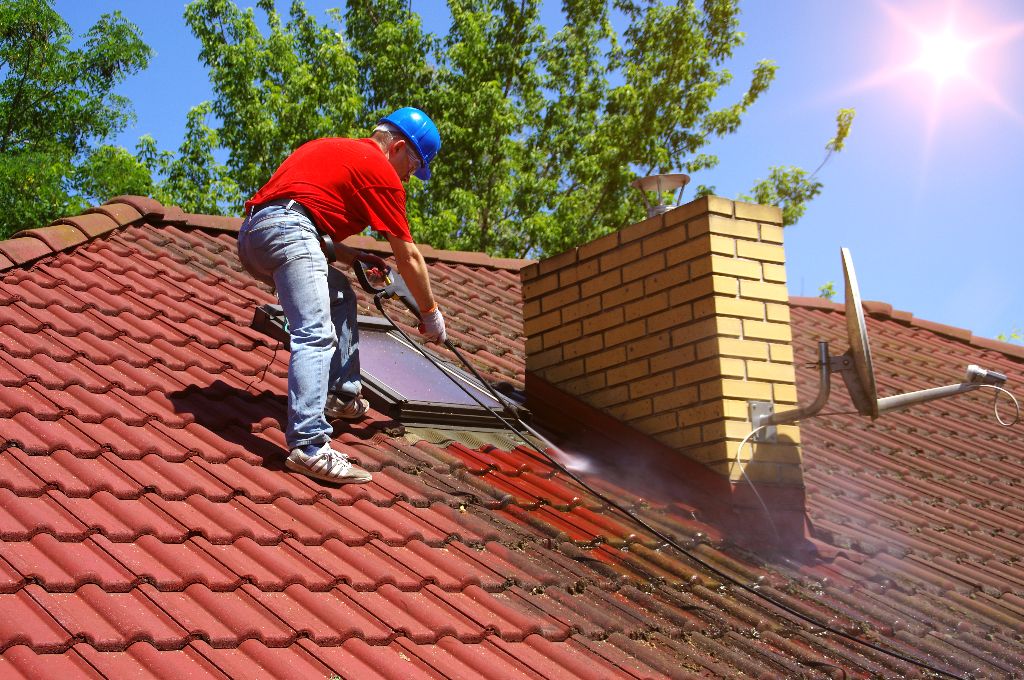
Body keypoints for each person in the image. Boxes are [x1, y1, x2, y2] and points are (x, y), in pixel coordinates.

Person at [237, 107, 447, 484]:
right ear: (398, 147)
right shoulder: (381, 171)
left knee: (339, 295)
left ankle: (342, 395)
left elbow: (293, 216)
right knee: (315, 333)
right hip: (290, 231)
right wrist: (430, 313)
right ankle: (310, 446)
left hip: (253, 236)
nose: (408, 178)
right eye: (412, 167)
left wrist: (351, 256)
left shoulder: (332, 147)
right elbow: (409, 255)